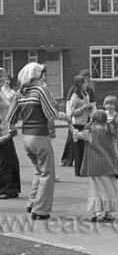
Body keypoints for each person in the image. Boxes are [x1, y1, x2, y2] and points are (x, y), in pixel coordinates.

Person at [6, 62, 71, 220]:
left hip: (26, 138)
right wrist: (65, 116)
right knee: (48, 173)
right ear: (37, 75)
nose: (45, 77)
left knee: (39, 170)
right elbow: (50, 114)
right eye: (43, 74)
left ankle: (31, 203)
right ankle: (40, 211)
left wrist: (11, 130)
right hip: (40, 136)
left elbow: (10, 118)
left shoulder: (19, 93)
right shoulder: (41, 90)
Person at [71, 110, 118, 222]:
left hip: (94, 166)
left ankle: (97, 212)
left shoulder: (90, 133)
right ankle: (108, 212)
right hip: (109, 165)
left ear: (93, 120)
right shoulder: (109, 131)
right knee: (109, 189)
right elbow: (115, 147)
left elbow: (77, 135)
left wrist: (72, 128)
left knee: (95, 189)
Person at [61, 70, 96, 167]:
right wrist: (69, 117)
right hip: (75, 120)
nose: (87, 81)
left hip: (85, 119)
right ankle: (68, 159)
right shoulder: (74, 91)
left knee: (83, 141)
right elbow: (70, 104)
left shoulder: (89, 91)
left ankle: (82, 162)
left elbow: (92, 104)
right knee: (72, 140)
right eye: (85, 78)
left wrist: (93, 115)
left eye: (88, 78)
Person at [0, 68, 21, 200]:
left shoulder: (2, 93)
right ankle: (4, 189)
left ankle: (12, 188)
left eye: (3, 76)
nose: (3, 79)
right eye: (1, 76)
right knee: (5, 160)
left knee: (12, 160)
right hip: (2, 130)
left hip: (7, 128)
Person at [69, 75, 93, 176]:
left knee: (85, 149)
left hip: (85, 123)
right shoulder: (75, 97)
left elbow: (89, 107)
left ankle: (84, 169)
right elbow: (72, 112)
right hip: (77, 124)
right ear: (80, 84)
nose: (87, 85)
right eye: (85, 83)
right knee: (78, 150)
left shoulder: (86, 94)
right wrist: (83, 108)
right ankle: (78, 171)